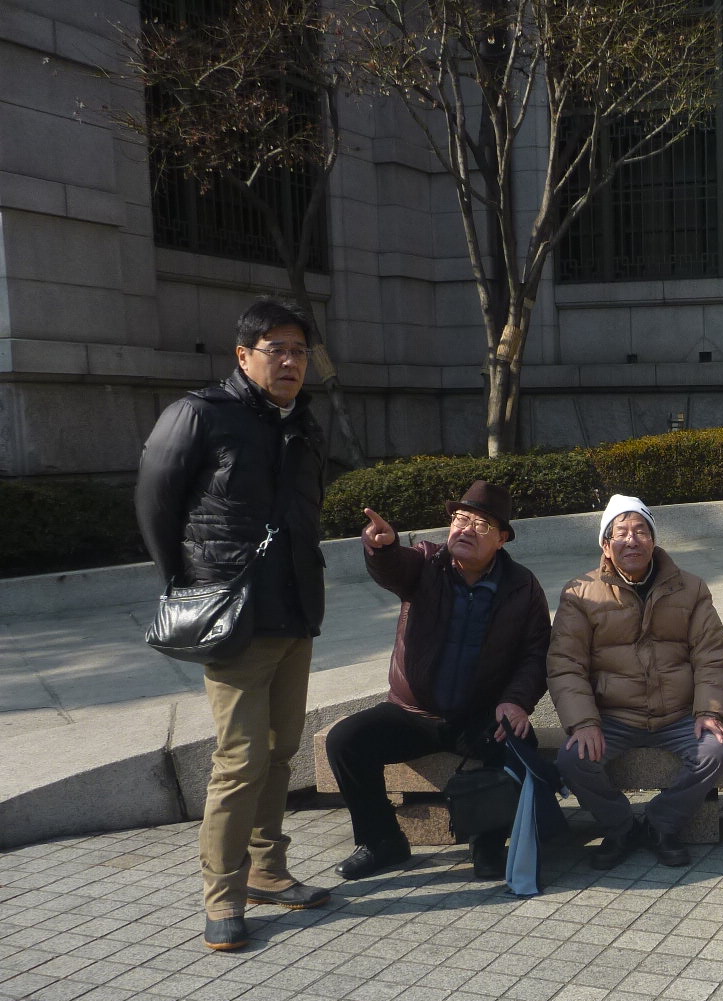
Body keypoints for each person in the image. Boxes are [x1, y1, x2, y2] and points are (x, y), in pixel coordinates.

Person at [135, 297, 329, 952]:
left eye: (299, 350)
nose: (290, 361)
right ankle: (222, 893)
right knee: (241, 757)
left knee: (279, 749)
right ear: (243, 355)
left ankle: (268, 870)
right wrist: (186, 583)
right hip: (234, 616)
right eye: (277, 349)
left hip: (293, 611)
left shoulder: (303, 422)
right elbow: (154, 501)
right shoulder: (199, 414)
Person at [325, 481, 559, 883]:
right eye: (460, 519)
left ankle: (488, 845)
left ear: (502, 539)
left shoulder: (522, 586)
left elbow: (536, 654)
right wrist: (383, 548)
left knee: (516, 743)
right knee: (345, 741)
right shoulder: (426, 562)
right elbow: (394, 567)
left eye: (481, 525)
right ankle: (381, 841)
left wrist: (516, 701)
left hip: (477, 716)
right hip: (412, 712)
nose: (466, 529)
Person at [548, 495, 723, 870]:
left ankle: (659, 825)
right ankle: (621, 828)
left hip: (677, 715)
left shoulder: (691, 588)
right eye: (620, 533)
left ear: (653, 540)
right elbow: (565, 664)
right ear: (606, 545)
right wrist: (584, 722)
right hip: (613, 717)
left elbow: (711, 655)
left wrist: (709, 712)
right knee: (572, 758)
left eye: (640, 531)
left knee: (716, 750)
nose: (631, 540)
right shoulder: (580, 593)